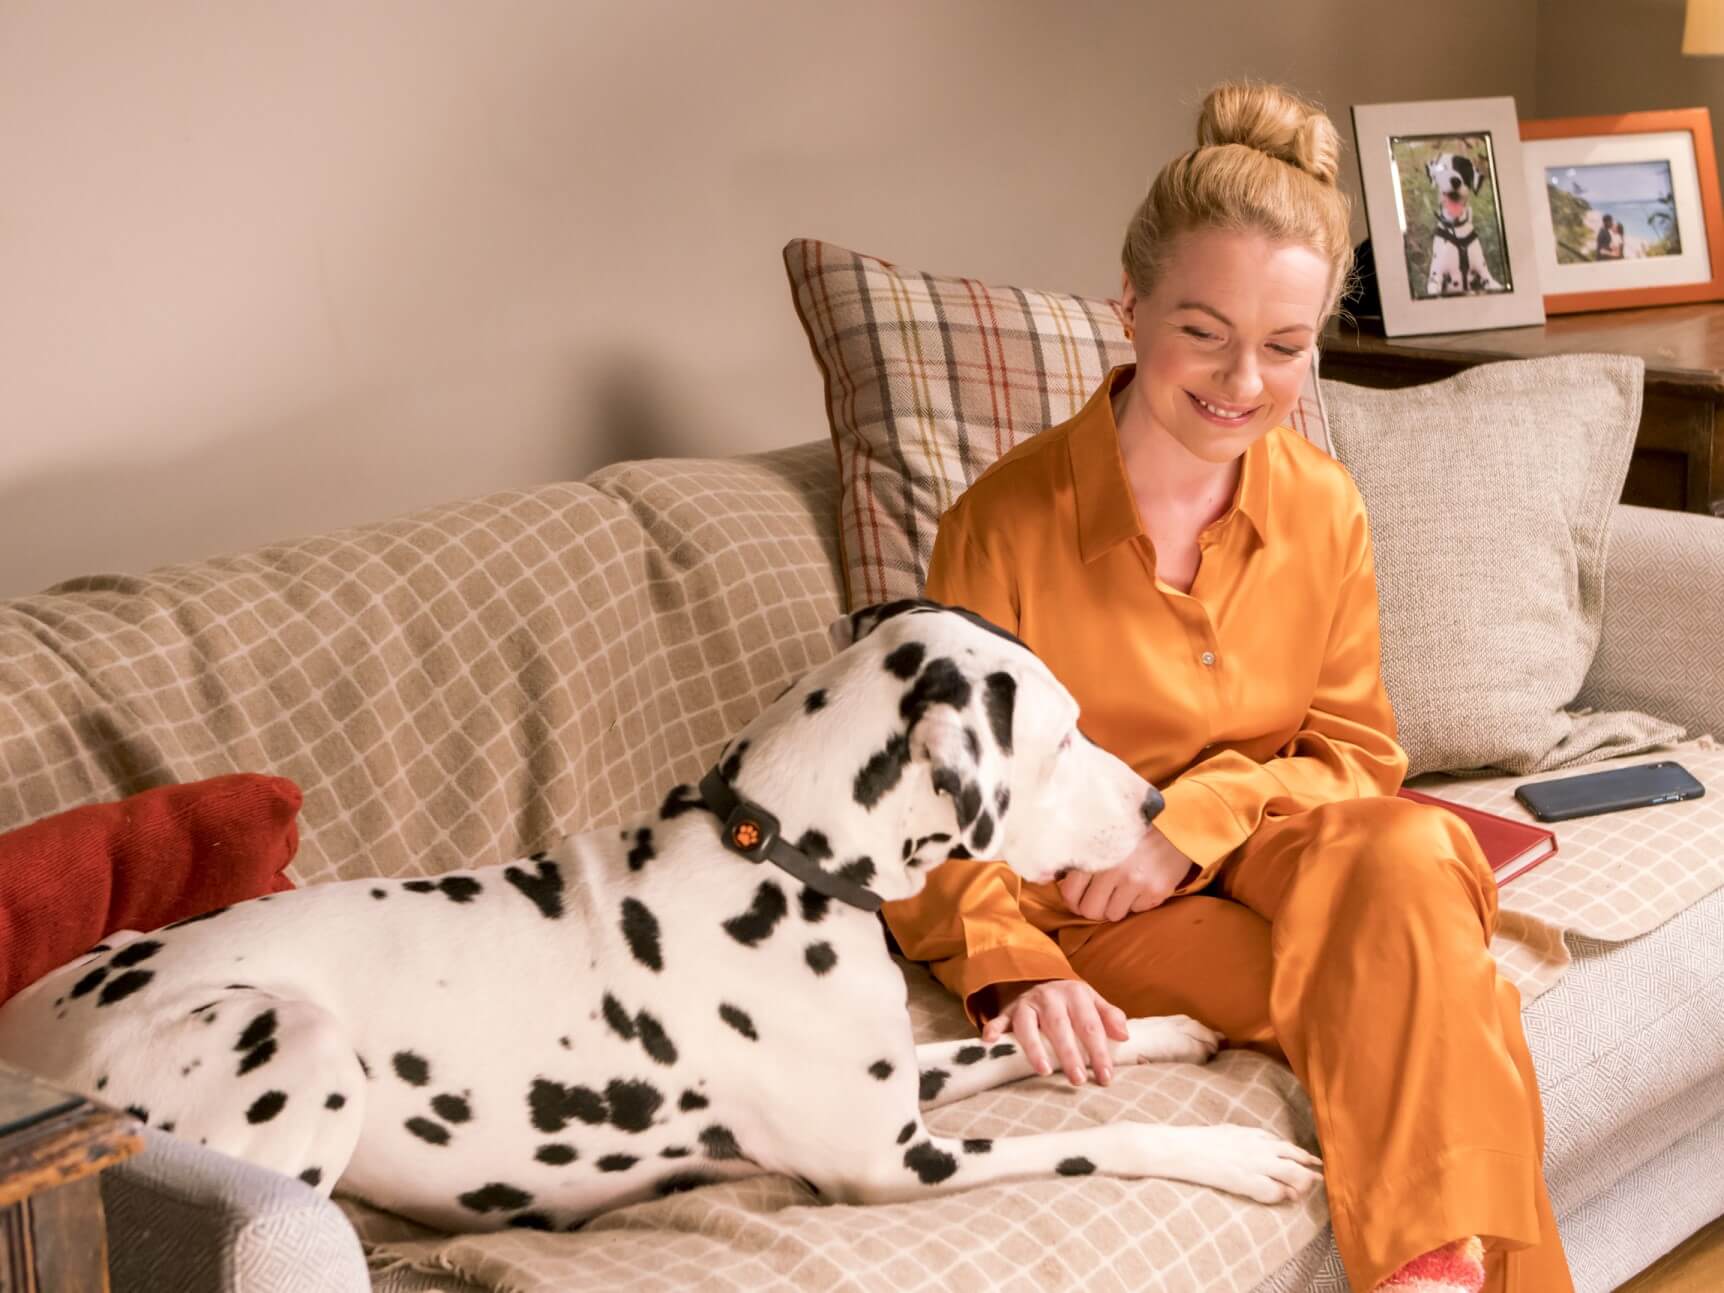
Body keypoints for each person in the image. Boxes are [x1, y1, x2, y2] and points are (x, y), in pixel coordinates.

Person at [879, 80, 1574, 1293]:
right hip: (1098, 912)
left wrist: (1185, 823)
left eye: (1284, 345)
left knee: (1404, 853)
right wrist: (1011, 966)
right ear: (1130, 304)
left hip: (1284, 849)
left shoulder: (1323, 504)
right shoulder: (999, 526)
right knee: (1447, 1006)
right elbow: (932, 803)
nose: (1240, 381)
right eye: (1201, 330)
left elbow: (1357, 761)